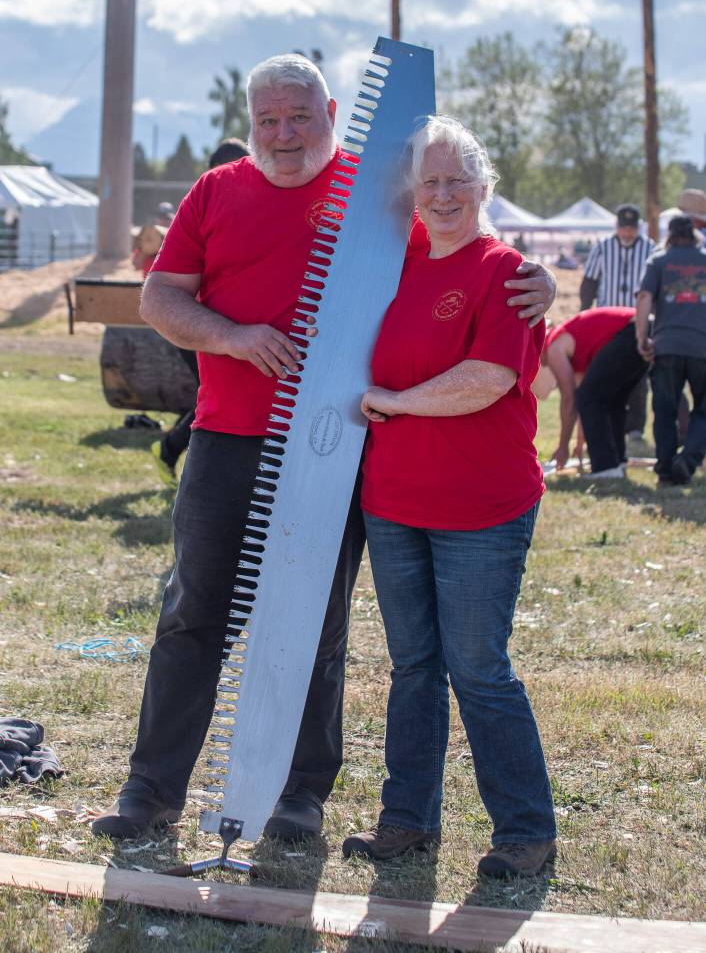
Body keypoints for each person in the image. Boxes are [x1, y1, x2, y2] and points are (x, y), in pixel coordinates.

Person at [91, 53, 557, 842]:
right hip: (228, 436)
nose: (283, 134)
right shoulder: (217, 190)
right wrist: (234, 338)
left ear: (332, 111)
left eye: (299, 116)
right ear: (250, 124)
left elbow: (460, 234)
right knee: (192, 611)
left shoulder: (381, 196)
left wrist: (535, 280)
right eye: (267, 119)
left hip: (336, 444)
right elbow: (161, 298)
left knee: (316, 618)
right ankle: (152, 792)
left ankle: (300, 794)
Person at [342, 116, 556, 879]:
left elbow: (487, 381)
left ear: (484, 189)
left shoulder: (508, 272)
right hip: (393, 501)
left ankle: (526, 831)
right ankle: (407, 822)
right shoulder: (393, 262)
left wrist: (392, 402)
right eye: (428, 182)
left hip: (482, 507)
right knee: (412, 667)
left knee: (478, 667)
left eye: (456, 181)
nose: (441, 195)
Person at [150, 137, 250, 488]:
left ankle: (169, 448)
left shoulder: (247, 206)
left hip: (231, 331)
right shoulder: (203, 205)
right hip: (199, 329)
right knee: (215, 393)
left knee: (217, 393)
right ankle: (168, 449)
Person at [636, 216, 706, 485]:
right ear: (694, 235)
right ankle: (688, 461)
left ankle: (666, 468)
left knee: (665, 410)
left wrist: (642, 337)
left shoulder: (659, 260)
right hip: (702, 347)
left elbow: (643, 298)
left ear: (670, 235)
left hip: (666, 346)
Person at [541, 308, 649, 478]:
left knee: (592, 398)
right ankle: (616, 462)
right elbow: (583, 400)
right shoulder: (572, 347)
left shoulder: (553, 346)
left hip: (631, 330)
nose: (543, 366)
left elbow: (570, 400)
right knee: (612, 401)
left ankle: (606, 468)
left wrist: (563, 447)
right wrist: (579, 441)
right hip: (645, 328)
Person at [580, 204, 655, 440]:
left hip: (638, 320)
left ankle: (635, 427)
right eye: (624, 228)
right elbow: (590, 282)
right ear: (617, 226)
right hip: (607, 323)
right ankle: (612, 420)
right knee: (607, 372)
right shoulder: (602, 248)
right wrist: (585, 312)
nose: (627, 233)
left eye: (631, 228)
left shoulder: (650, 249)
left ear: (638, 228)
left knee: (638, 375)